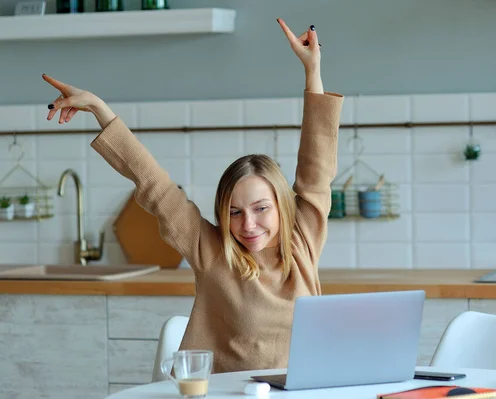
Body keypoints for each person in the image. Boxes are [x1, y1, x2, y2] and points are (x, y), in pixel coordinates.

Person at [41, 18, 343, 374]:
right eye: (233, 212)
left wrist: (313, 71)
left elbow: (316, 167)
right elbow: (154, 184)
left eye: (261, 208)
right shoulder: (211, 250)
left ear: (282, 206)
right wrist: (99, 109)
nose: (248, 224)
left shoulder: (302, 241)